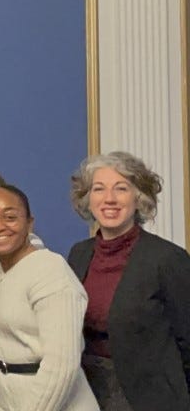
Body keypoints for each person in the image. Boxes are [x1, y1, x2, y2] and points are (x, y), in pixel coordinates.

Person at [65, 151, 190, 410]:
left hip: (147, 397)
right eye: (99, 189)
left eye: (121, 188)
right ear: (88, 199)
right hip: (84, 392)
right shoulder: (78, 254)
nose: (109, 199)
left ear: (139, 197)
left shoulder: (167, 258)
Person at [0, 185, 97, 411]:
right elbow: (3, 356)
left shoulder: (50, 269)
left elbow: (61, 367)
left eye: (10, 217)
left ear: (29, 223)